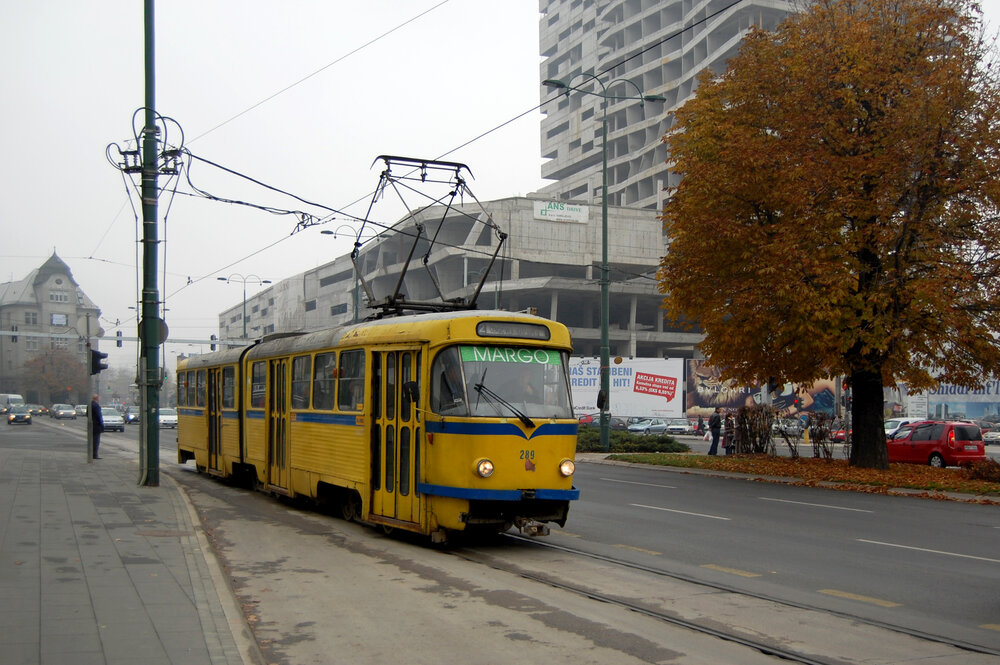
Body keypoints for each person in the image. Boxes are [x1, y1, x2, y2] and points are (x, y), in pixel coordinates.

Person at [90, 393, 104, 459]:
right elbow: (99, 416)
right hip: (96, 425)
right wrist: (102, 424)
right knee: (96, 441)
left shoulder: (89, 405)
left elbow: (87, 414)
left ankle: (92, 454)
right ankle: (95, 455)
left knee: (92, 440)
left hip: (91, 425)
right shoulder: (96, 406)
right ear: (97, 398)